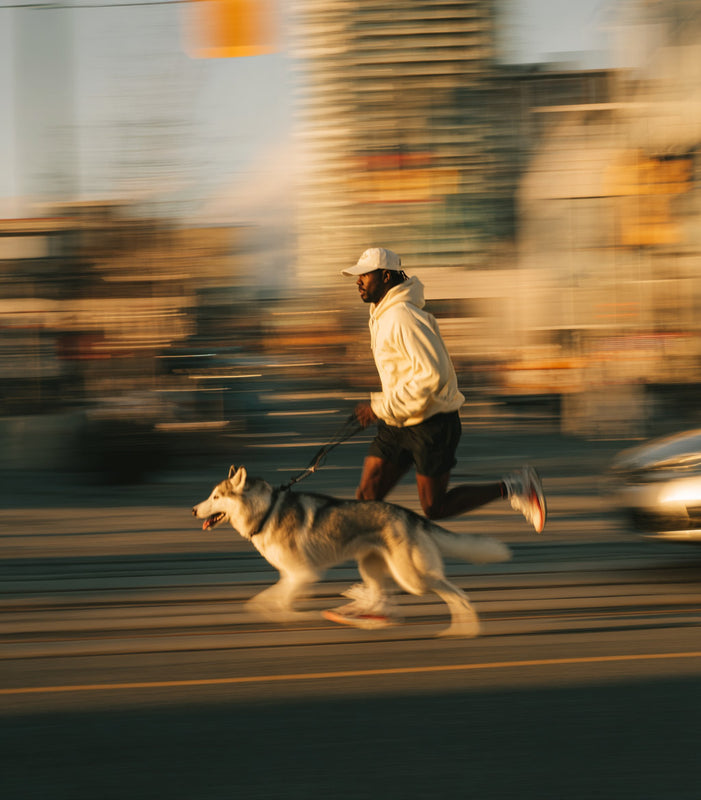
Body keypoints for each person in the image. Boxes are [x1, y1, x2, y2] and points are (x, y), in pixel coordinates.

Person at [323, 247, 546, 630]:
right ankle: (379, 600)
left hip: (432, 424)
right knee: (365, 504)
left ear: (388, 277)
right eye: (357, 275)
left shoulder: (403, 317)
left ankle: (515, 487)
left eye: (366, 274)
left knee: (435, 507)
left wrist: (378, 406)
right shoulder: (381, 314)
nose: (359, 281)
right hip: (398, 420)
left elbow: (431, 377)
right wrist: (385, 408)